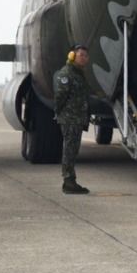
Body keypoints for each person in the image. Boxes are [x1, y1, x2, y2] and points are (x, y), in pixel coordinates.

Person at [54, 44, 94, 195]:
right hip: (70, 119)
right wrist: (60, 113)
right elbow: (60, 97)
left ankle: (71, 181)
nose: (84, 58)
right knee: (69, 150)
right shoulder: (67, 74)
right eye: (81, 55)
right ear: (72, 56)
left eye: (86, 56)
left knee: (73, 150)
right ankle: (68, 182)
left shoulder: (79, 74)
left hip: (77, 118)